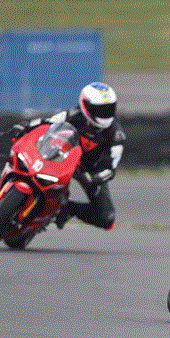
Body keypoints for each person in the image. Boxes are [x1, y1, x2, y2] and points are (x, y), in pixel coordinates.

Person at [7, 82, 125, 230]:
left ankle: (68, 209)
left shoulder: (116, 134)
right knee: (26, 149)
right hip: (63, 157)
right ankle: (12, 173)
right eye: (100, 109)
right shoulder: (74, 115)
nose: (105, 114)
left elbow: (111, 167)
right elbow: (48, 122)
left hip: (89, 171)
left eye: (108, 109)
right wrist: (25, 125)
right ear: (86, 107)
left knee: (107, 219)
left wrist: (94, 178)